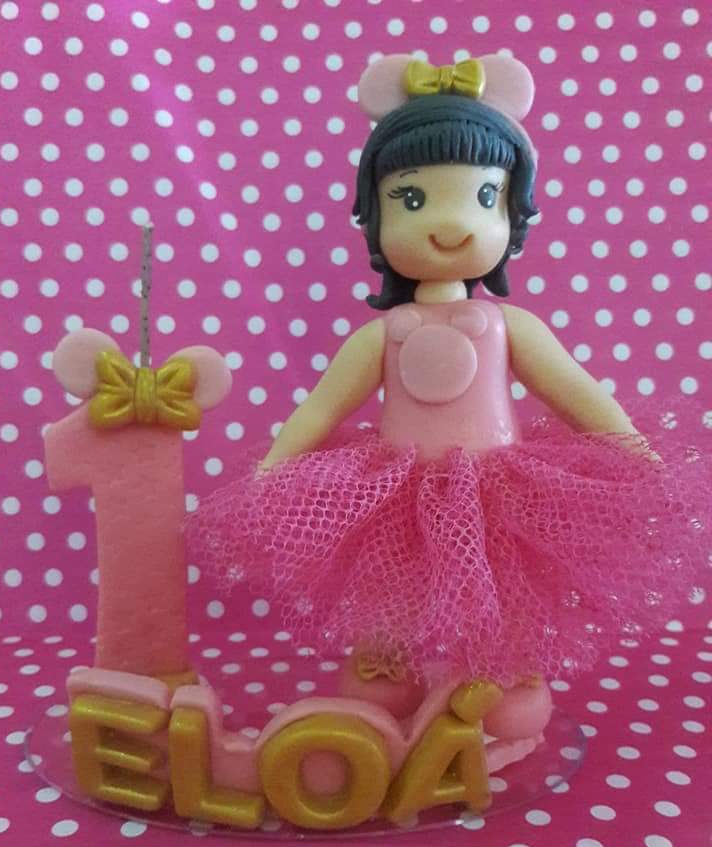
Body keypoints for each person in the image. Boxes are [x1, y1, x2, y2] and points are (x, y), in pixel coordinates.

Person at [187, 54, 710, 693]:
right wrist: (271, 473)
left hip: (499, 489)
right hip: (395, 494)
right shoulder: (381, 336)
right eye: (412, 199)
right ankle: (388, 669)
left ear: (512, 213)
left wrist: (638, 453)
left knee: (502, 589)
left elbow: (576, 391)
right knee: (389, 587)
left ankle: (499, 678)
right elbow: (322, 409)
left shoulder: (510, 327)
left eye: (484, 197)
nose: (451, 224)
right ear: (376, 218)